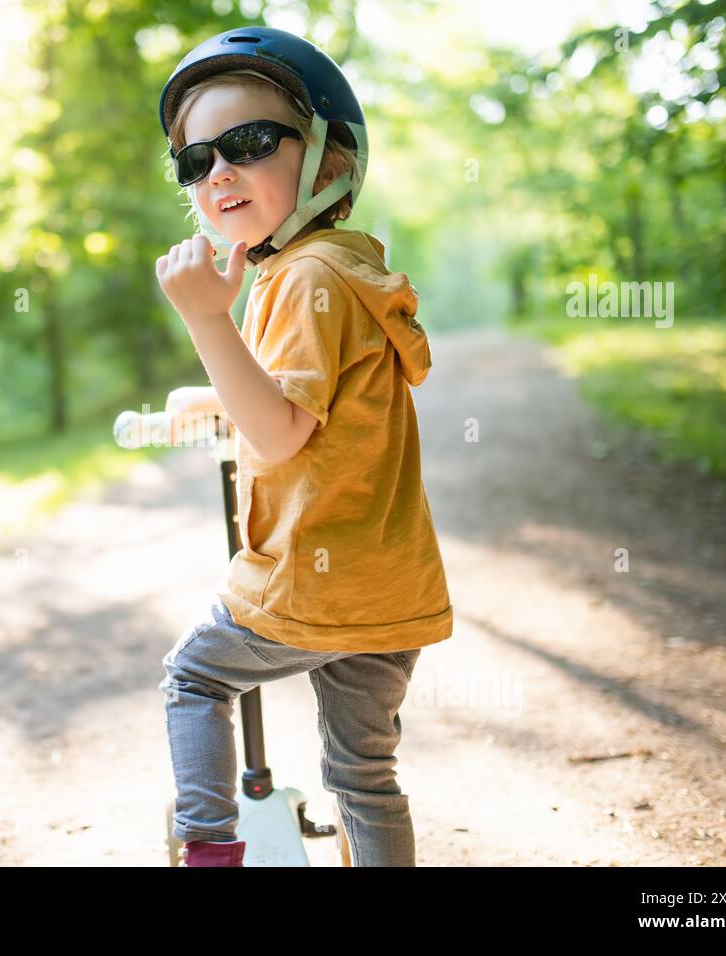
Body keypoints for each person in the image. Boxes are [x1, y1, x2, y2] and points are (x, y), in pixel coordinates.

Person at [153, 27, 454, 867]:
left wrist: (207, 319)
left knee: (195, 678)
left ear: (325, 158)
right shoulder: (345, 267)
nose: (217, 171)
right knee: (363, 774)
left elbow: (282, 431)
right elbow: (321, 403)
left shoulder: (303, 278)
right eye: (195, 162)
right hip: (387, 586)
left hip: (314, 583)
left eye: (247, 144)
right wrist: (216, 393)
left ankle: (211, 853)